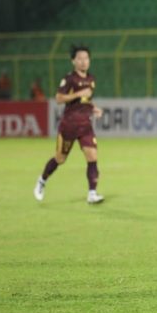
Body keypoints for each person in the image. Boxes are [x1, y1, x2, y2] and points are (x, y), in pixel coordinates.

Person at [33, 45, 104, 204]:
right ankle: (42, 180)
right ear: (73, 61)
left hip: (85, 125)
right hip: (69, 125)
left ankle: (92, 193)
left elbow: (85, 101)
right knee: (60, 159)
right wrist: (79, 93)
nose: (83, 61)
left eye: (86, 58)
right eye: (79, 59)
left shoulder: (91, 79)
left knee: (92, 157)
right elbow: (58, 98)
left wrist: (93, 108)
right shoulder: (69, 79)